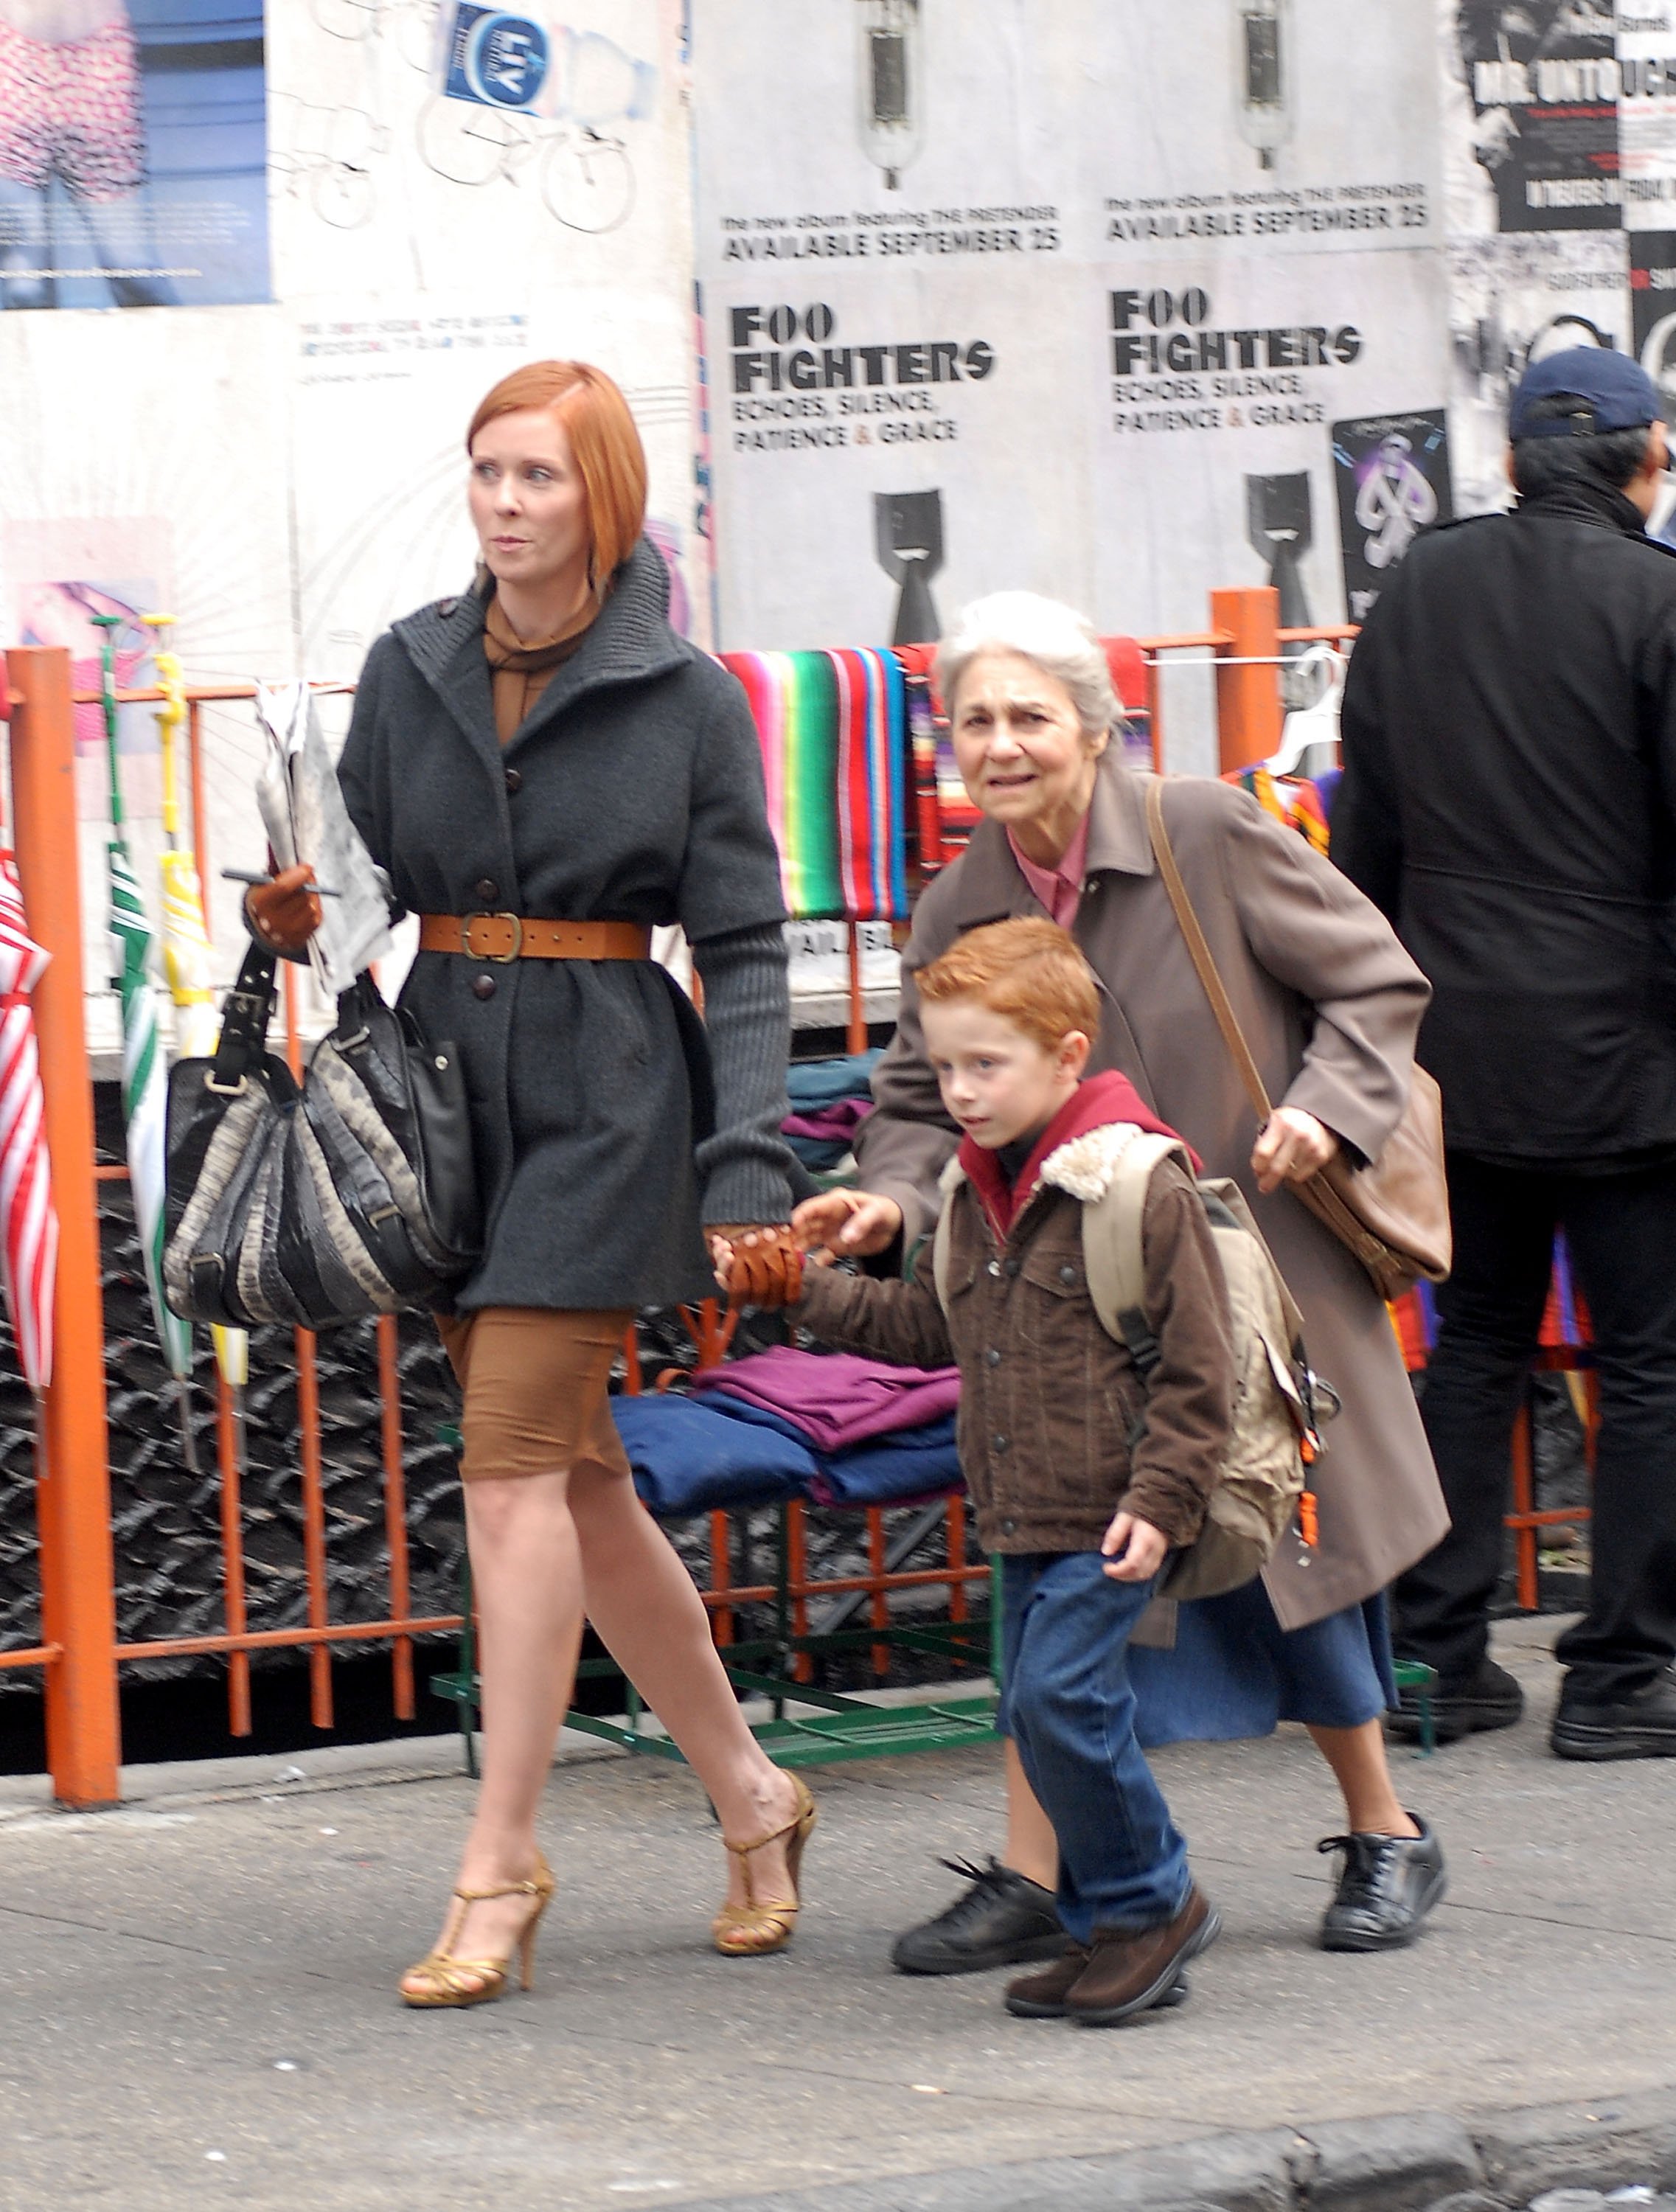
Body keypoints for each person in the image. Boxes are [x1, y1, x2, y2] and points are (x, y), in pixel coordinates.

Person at [246, 359, 816, 2006]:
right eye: (488, 472)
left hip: (613, 1102)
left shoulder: (690, 697)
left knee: (506, 1475)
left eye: (541, 478)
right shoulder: (408, 666)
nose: (505, 503)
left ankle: (500, 1859)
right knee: (576, 1488)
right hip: (444, 1102)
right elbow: (354, 893)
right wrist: (296, 919)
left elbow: (749, 952)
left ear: (605, 499)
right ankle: (755, 1798)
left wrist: (748, 1165)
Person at [793, 591, 1451, 1964]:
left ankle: (1384, 1830)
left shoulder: (1198, 829)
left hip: (1246, 1271)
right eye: (975, 720)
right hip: (1059, 1309)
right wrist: (887, 1197)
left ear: (1093, 727)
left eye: (1029, 714)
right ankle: (1042, 1877)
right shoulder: (956, 906)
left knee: (1291, 1560)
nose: (1002, 743)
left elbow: (1375, 983)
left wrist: (1323, 1109)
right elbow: (917, 1100)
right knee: (1048, 1573)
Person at [722, 918, 1234, 2023]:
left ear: (1067, 1054)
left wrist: (1162, 1501)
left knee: (1061, 1700)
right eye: (945, 1066)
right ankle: (1109, 1926)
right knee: (1036, 1715)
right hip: (1019, 1511)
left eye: (984, 1065)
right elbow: (923, 1329)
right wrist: (795, 1290)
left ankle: (1156, 1904)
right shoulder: (972, 1192)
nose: (957, 1090)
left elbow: (1204, 1369)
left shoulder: (1139, 1182)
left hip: (1112, 1513)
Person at [1334, 346, 1676, 1763]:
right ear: (1639, 464)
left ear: (1524, 458)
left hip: (1450, 1037)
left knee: (1471, 1347)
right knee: (1648, 1358)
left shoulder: (1413, 590)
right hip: (1624, 1042)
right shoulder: (1658, 601)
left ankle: (1437, 1657)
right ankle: (1618, 1678)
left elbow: (1365, 832)